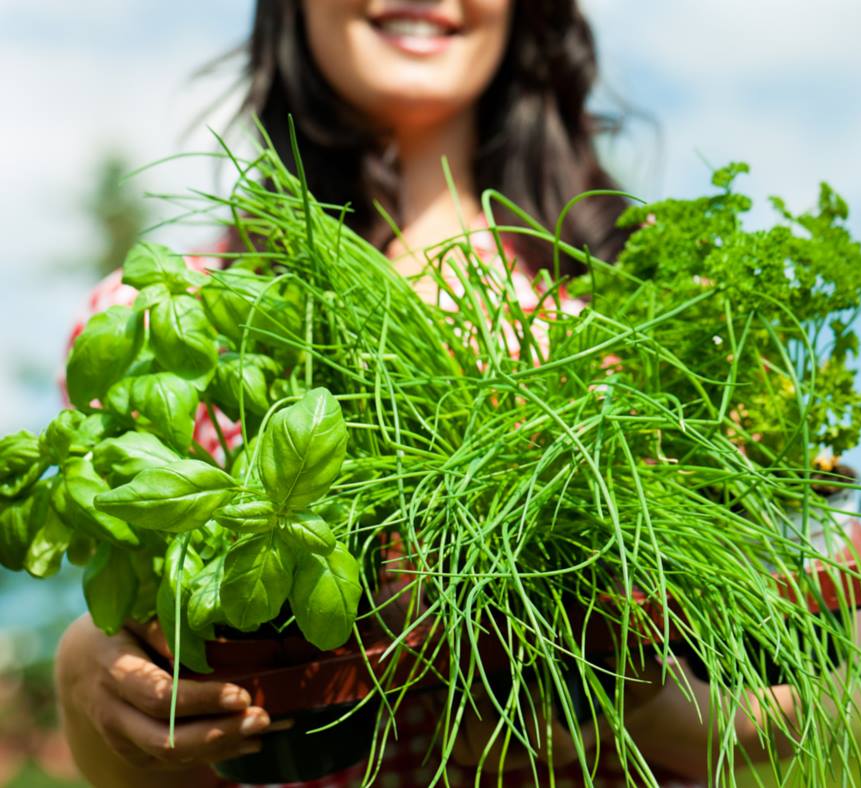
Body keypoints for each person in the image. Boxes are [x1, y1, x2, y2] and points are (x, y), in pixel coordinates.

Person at [54, 1, 795, 786]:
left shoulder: (672, 316)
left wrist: (635, 710)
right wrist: (81, 673)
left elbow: (798, 686)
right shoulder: (172, 326)